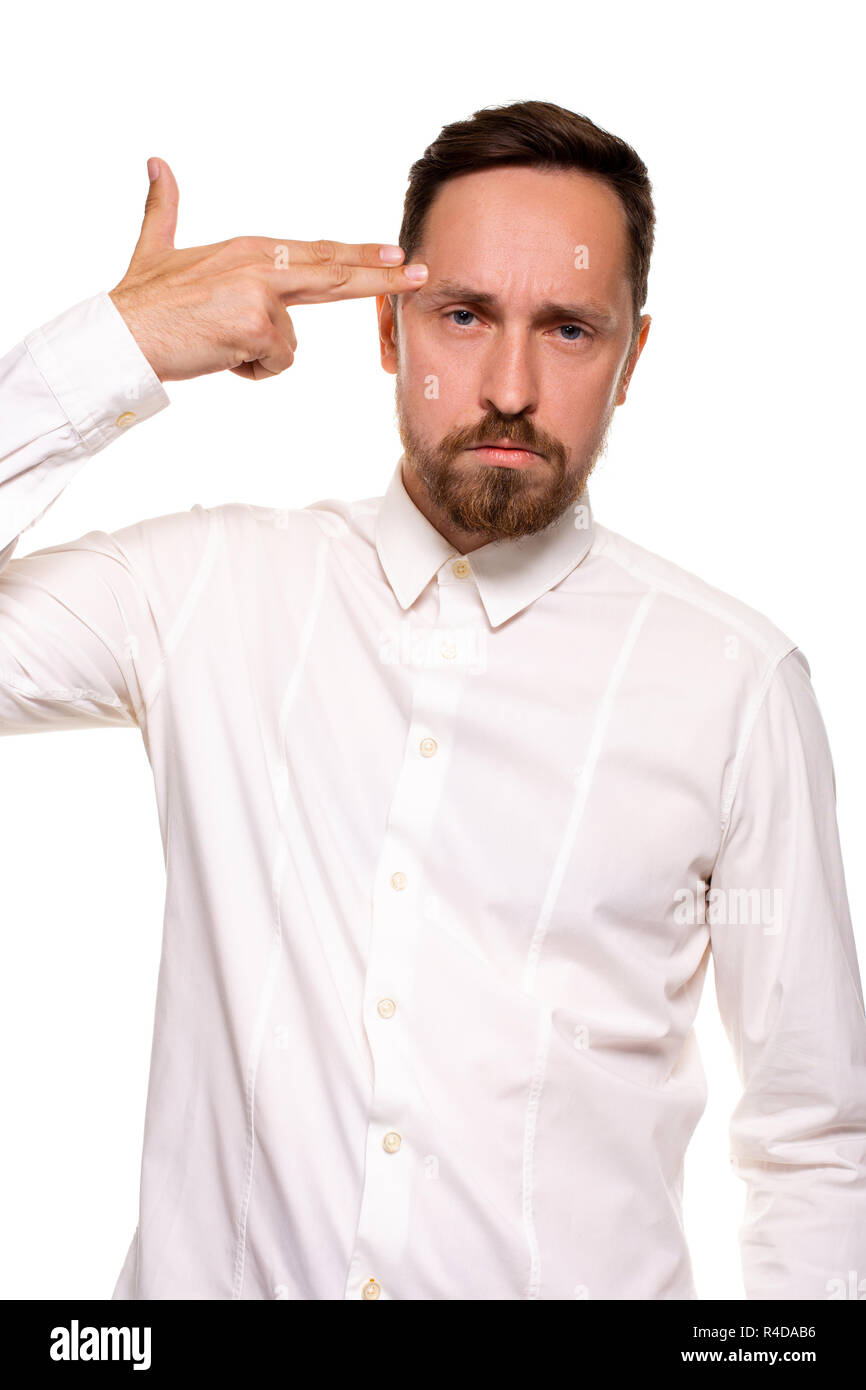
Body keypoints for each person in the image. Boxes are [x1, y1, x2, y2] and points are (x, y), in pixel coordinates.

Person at [1, 99, 863, 1302]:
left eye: (567, 328)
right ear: (390, 333)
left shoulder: (735, 688)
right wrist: (118, 348)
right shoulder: (203, 593)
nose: (507, 385)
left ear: (630, 358)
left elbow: (815, 1136)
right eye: (462, 315)